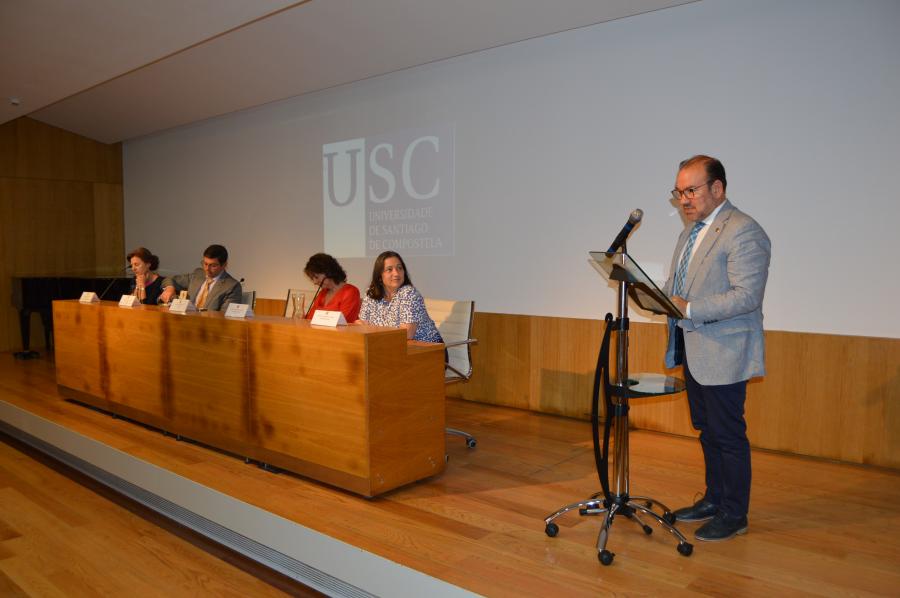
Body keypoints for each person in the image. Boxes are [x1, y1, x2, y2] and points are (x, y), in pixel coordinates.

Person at [664, 155, 771, 542]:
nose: (684, 200)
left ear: (718, 188)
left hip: (724, 350)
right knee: (707, 431)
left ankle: (734, 512)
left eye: (691, 190)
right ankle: (713, 499)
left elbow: (746, 296)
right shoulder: (690, 233)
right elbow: (683, 287)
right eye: (679, 193)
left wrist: (688, 309)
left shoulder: (743, 231)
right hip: (694, 348)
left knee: (728, 434)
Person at [358, 251, 442, 343]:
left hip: (428, 349)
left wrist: (373, 331)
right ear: (379, 276)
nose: (396, 273)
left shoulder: (409, 294)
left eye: (399, 268)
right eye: (389, 269)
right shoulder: (371, 293)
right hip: (392, 348)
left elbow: (407, 334)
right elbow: (362, 325)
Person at [159, 244, 242, 311]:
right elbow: (170, 279)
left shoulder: (232, 286)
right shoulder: (198, 274)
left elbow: (224, 317)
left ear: (224, 265)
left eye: (213, 265)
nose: (207, 269)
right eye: (205, 263)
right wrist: (169, 288)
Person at [303, 253, 361, 322]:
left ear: (329, 272)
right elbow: (310, 319)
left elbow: (342, 322)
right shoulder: (323, 293)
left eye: (316, 277)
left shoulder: (351, 292)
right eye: (312, 278)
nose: (315, 282)